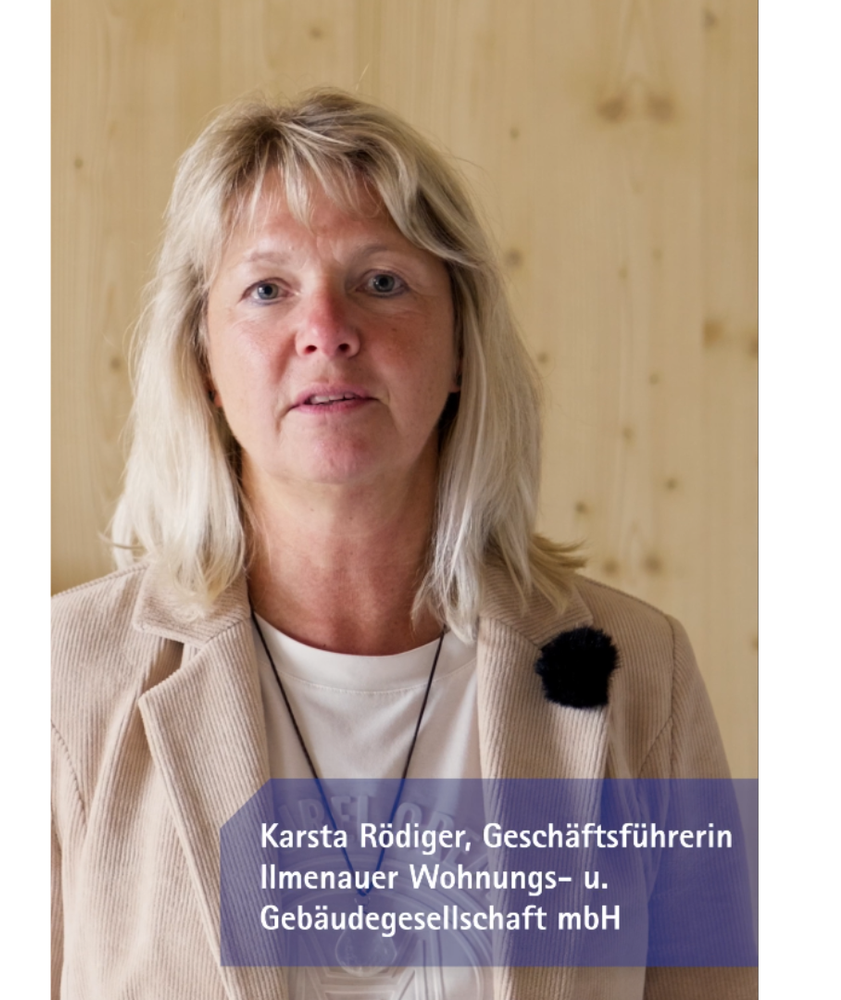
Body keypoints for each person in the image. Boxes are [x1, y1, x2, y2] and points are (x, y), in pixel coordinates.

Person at [52, 88, 754, 999]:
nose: (327, 332)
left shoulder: (643, 674)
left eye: (381, 282)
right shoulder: (64, 678)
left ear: (461, 347)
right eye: (267, 290)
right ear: (205, 364)